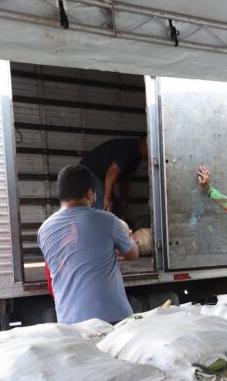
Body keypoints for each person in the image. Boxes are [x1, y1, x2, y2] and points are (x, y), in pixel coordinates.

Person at [37, 164, 138, 324]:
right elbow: (133, 254)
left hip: (69, 322)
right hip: (113, 320)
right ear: (90, 194)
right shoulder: (108, 220)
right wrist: (130, 240)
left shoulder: (44, 230)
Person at [80, 136, 148, 216]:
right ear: (144, 145)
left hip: (98, 178)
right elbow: (112, 171)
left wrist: (123, 200)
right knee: (103, 201)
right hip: (85, 174)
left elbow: (124, 178)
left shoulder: (136, 157)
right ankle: (100, 225)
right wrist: (107, 199)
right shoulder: (130, 148)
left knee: (113, 205)